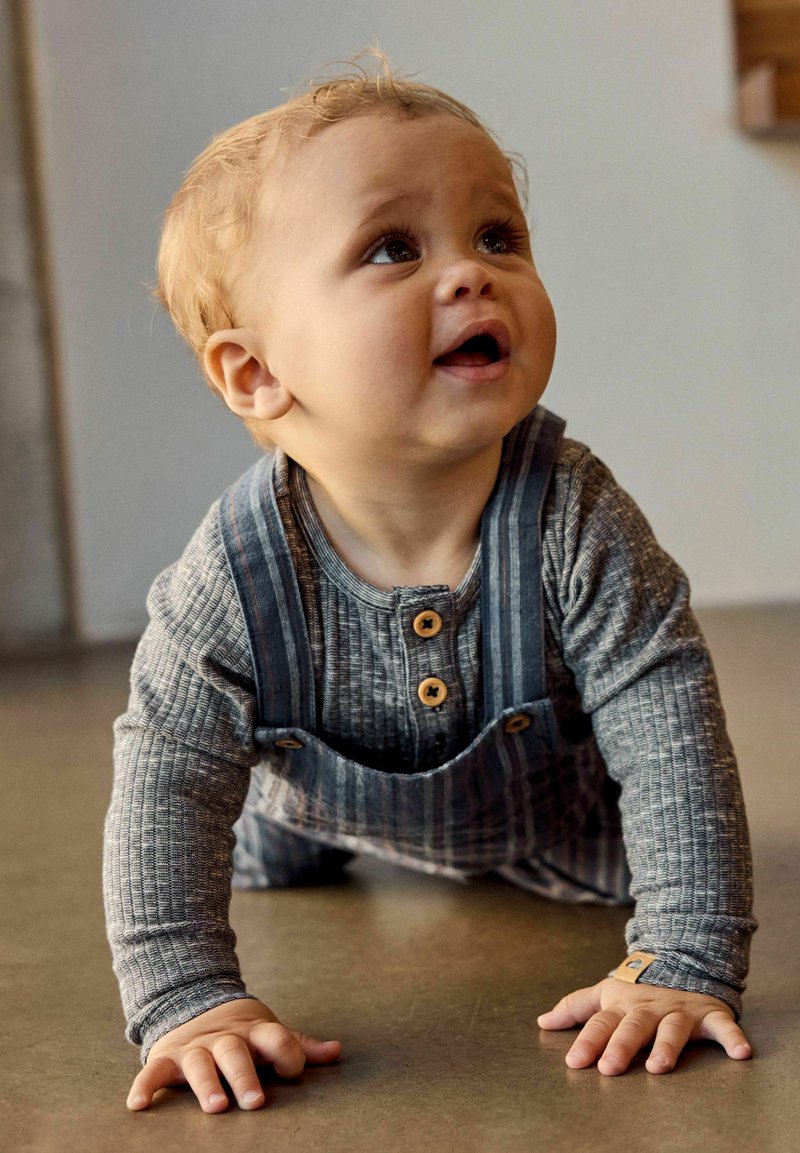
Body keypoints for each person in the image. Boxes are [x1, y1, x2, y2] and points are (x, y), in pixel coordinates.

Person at [104, 54, 756, 1114]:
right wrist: (186, 997)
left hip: (555, 822)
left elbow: (667, 723)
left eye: (495, 236)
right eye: (392, 248)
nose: (469, 273)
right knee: (257, 833)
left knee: (654, 858)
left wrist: (684, 954)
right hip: (315, 808)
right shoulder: (227, 576)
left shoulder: (572, 516)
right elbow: (166, 781)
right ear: (256, 373)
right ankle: (302, 837)